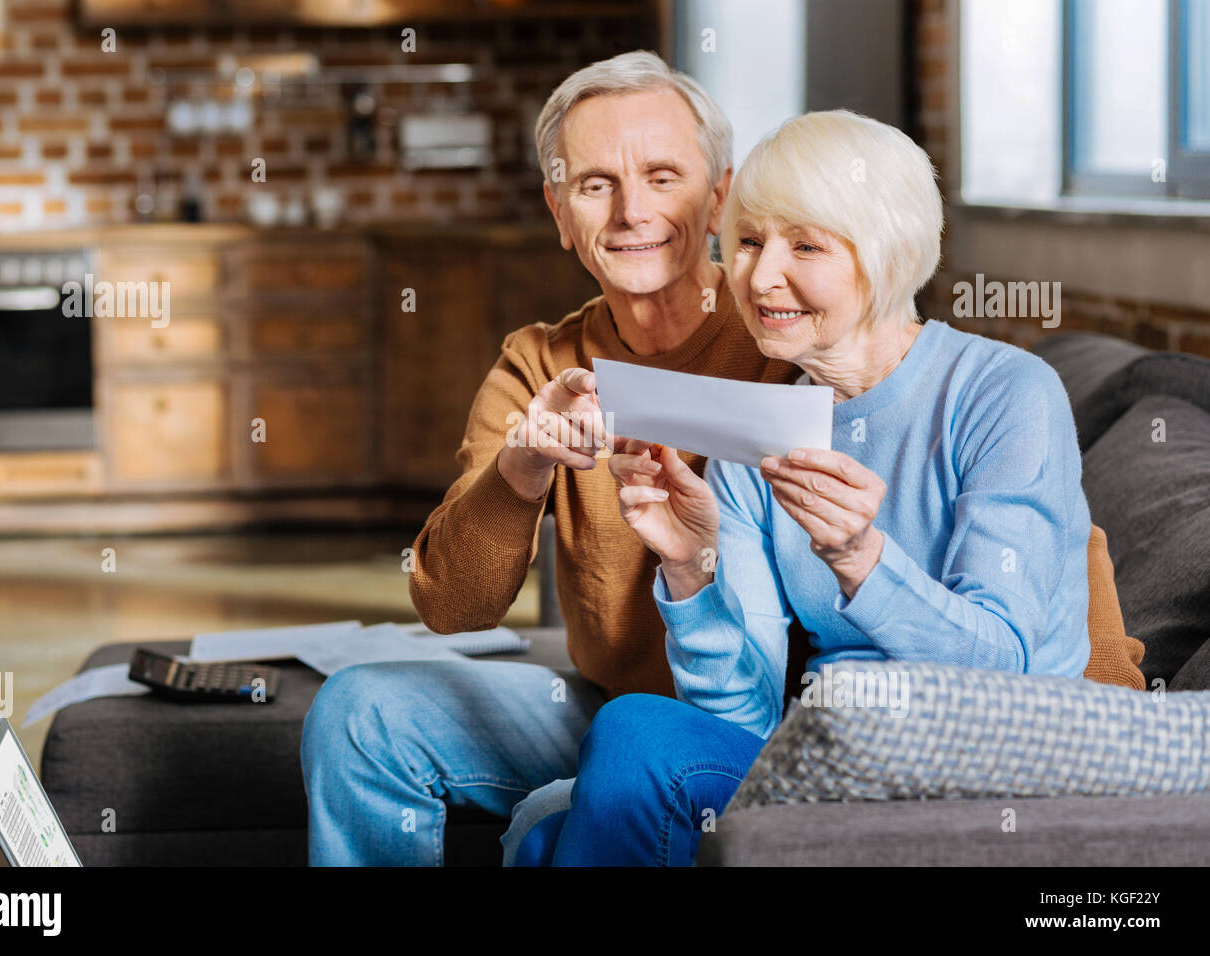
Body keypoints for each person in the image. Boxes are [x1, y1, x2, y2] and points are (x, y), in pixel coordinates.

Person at [509, 109, 1123, 867]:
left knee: (628, 740)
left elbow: (1009, 670)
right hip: (829, 756)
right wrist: (689, 569)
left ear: (885, 253)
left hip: (987, 763)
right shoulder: (761, 438)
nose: (762, 276)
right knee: (552, 829)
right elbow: (745, 718)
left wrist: (865, 561)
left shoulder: (1004, 394)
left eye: (805, 245)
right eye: (747, 242)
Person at [299, 51, 803, 866]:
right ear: (559, 213)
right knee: (359, 711)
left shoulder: (788, 336)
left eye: (663, 176)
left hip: (765, 730)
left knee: (623, 752)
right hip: (614, 713)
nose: (632, 211)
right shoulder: (538, 364)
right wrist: (524, 465)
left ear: (719, 198)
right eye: (595, 184)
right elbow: (449, 606)